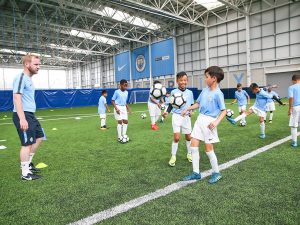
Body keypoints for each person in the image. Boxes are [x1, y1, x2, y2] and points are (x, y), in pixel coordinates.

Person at [181, 66, 227, 184]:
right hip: (200, 119)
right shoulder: (205, 90)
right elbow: (198, 103)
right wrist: (187, 109)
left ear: (214, 78)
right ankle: (196, 173)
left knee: (208, 149)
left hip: (209, 122)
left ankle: (216, 172)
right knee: (193, 145)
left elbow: (224, 110)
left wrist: (216, 122)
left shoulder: (218, 94)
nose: (205, 79)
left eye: (206, 77)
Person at [12, 54, 44, 181]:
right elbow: (16, 97)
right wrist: (22, 118)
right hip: (23, 115)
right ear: (27, 64)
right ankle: (25, 174)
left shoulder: (29, 79)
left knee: (40, 137)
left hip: (30, 114)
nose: (38, 67)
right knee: (27, 144)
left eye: (38, 64)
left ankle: (28, 164)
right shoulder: (21, 77)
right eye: (36, 64)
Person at [163, 72, 194, 167]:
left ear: (187, 81)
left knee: (188, 137)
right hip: (176, 116)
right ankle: (173, 156)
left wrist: (191, 111)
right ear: (177, 81)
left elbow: (192, 104)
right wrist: (167, 112)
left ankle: (189, 154)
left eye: (185, 80)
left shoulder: (190, 93)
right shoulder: (173, 92)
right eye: (181, 80)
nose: (183, 82)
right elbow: (171, 105)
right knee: (176, 138)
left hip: (186, 117)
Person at [288, 74, 300, 147]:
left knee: (294, 125)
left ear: (293, 80)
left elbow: (291, 98)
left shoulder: (291, 87)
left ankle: (294, 142)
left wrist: (289, 108)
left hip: (296, 107)